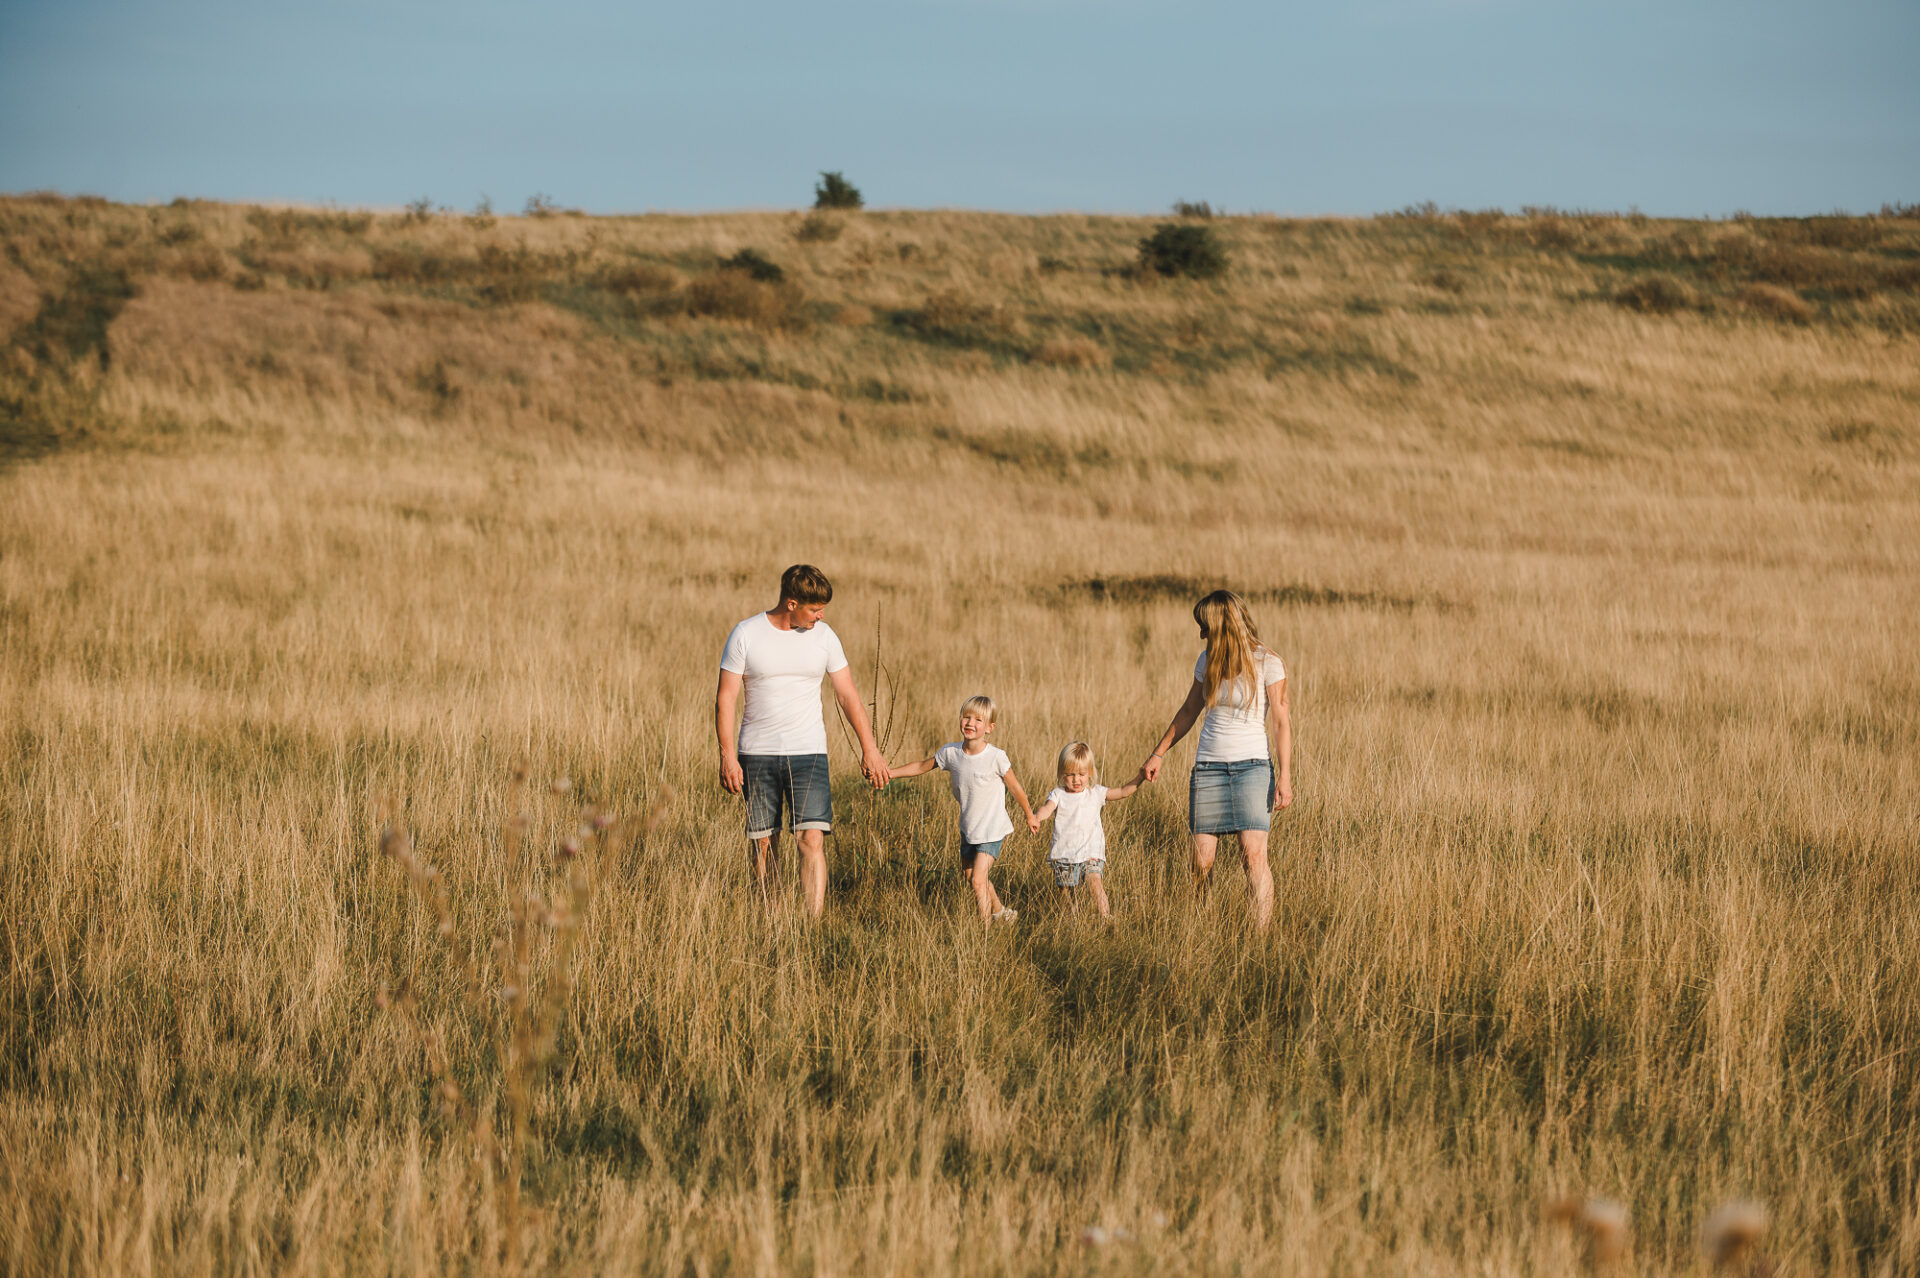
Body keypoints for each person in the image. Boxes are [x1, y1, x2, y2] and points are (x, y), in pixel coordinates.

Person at [716, 564, 889, 917]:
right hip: (756, 754)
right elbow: (725, 698)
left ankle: (811, 925)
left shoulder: (825, 637)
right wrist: (728, 756)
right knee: (764, 842)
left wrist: (869, 749)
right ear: (791, 603)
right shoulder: (746, 633)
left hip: (808, 753)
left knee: (811, 839)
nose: (821, 616)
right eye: (814, 609)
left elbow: (848, 696)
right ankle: (771, 920)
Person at [1138, 589, 1293, 929]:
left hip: (1253, 768)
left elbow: (1281, 721)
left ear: (1222, 625)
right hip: (1208, 769)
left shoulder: (1268, 662)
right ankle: (1203, 932)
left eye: (1204, 625)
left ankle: (1260, 939)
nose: (1201, 633)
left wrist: (1284, 776)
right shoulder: (1206, 661)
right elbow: (1190, 710)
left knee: (1252, 856)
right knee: (1200, 861)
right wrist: (1158, 753)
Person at [888, 695, 1036, 926]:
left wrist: (1029, 814)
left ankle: (984, 934)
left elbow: (1015, 787)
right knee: (971, 876)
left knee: (978, 880)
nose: (970, 723)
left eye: (978, 720)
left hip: (991, 829)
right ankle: (1002, 913)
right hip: (968, 828)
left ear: (989, 728)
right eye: (966, 717)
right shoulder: (950, 753)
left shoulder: (996, 757)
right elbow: (921, 766)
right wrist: (890, 773)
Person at [1028, 741, 1143, 920]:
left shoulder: (1095, 793)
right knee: (1066, 894)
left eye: (1081, 774)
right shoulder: (1058, 794)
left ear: (1090, 773)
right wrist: (1037, 818)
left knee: (1095, 883)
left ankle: (1106, 918)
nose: (1076, 780)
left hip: (1091, 853)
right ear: (1061, 774)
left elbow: (1122, 792)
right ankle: (1071, 922)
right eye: (1070, 775)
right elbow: (1047, 808)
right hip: (1064, 854)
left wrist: (1140, 778)